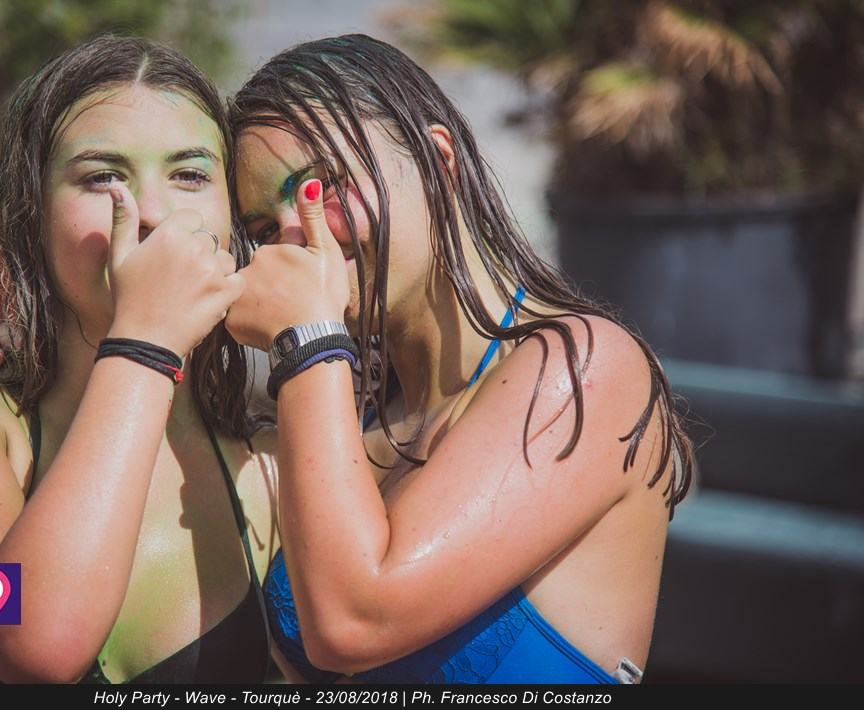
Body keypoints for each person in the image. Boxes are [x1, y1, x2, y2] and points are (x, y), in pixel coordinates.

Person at [220, 34, 695, 684]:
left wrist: (306, 339)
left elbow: (353, 622)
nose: (296, 241)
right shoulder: (346, 427)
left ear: (436, 160)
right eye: (264, 231)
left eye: (319, 186)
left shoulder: (584, 368)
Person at [0, 35, 279, 684]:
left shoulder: (269, 466)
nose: (150, 214)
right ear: (33, 216)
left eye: (190, 174)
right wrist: (145, 345)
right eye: (102, 176)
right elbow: (24, 634)